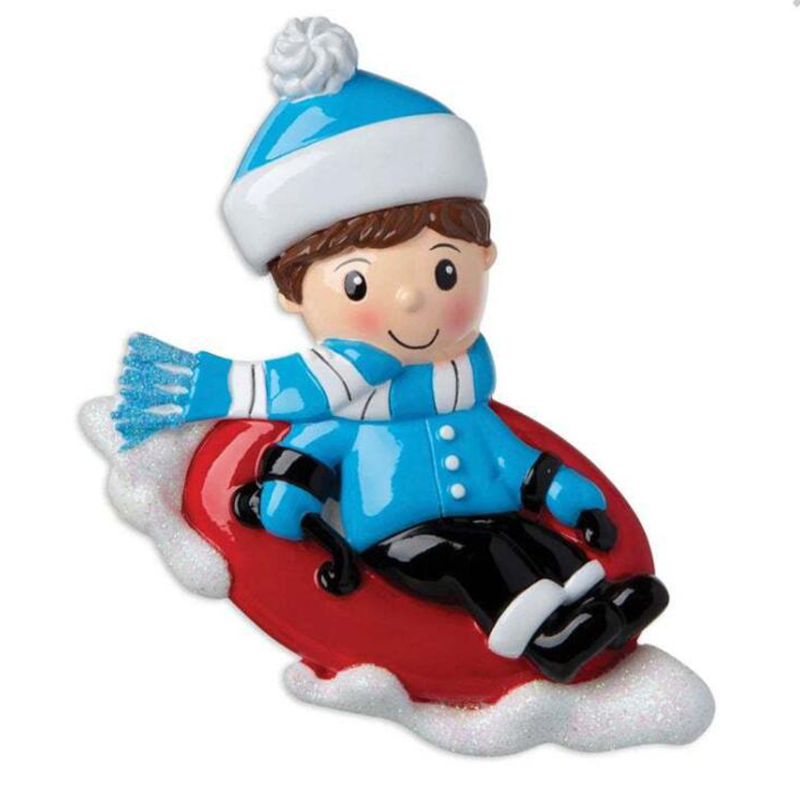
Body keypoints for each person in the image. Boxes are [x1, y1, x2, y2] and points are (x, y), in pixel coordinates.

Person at [113, 17, 667, 682]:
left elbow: (510, 455)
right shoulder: (345, 402)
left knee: (530, 540)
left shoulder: (463, 392)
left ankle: (596, 610)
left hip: (491, 509)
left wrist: (561, 490)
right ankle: (552, 641)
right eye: (358, 284)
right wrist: (287, 495)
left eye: (444, 271)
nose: (410, 300)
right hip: (401, 538)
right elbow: (311, 450)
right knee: (477, 560)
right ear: (294, 295)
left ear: (485, 258)